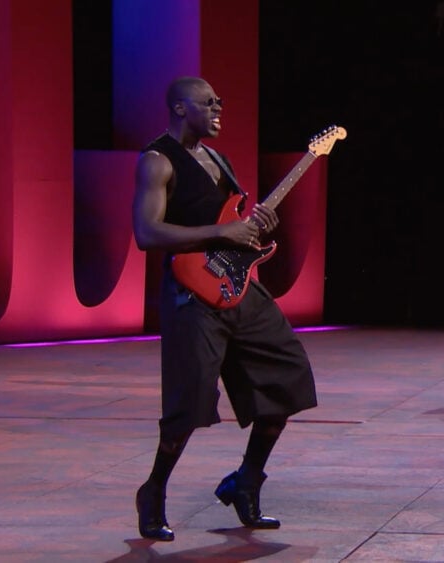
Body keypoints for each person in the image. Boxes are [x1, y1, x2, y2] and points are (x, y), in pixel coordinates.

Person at [131, 76, 318, 540]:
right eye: (207, 102)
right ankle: (153, 491)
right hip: (190, 296)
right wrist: (221, 235)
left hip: (240, 289)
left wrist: (256, 228)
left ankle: (245, 482)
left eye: (220, 100)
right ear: (179, 108)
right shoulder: (157, 160)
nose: (218, 107)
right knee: (188, 404)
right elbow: (147, 234)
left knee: (287, 380)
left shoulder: (219, 159)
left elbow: (234, 227)